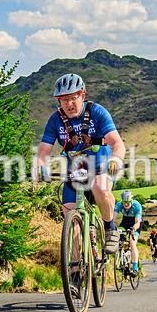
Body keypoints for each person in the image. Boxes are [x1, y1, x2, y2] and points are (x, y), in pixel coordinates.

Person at [35, 73, 126, 256]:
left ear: (82, 95)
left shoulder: (97, 112)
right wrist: (40, 168)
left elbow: (117, 144)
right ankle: (75, 271)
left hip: (102, 167)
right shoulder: (55, 120)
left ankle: (110, 227)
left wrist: (115, 160)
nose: (69, 104)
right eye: (63, 100)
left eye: (72, 98)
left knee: (100, 189)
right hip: (74, 172)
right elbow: (43, 152)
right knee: (70, 219)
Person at [112, 190, 143, 275]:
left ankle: (135, 268)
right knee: (119, 237)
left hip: (136, 223)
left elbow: (137, 222)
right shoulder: (119, 205)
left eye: (128, 202)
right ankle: (122, 256)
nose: (126, 204)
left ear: (131, 200)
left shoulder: (137, 206)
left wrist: (133, 229)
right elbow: (113, 219)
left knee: (132, 243)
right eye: (124, 202)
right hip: (125, 221)